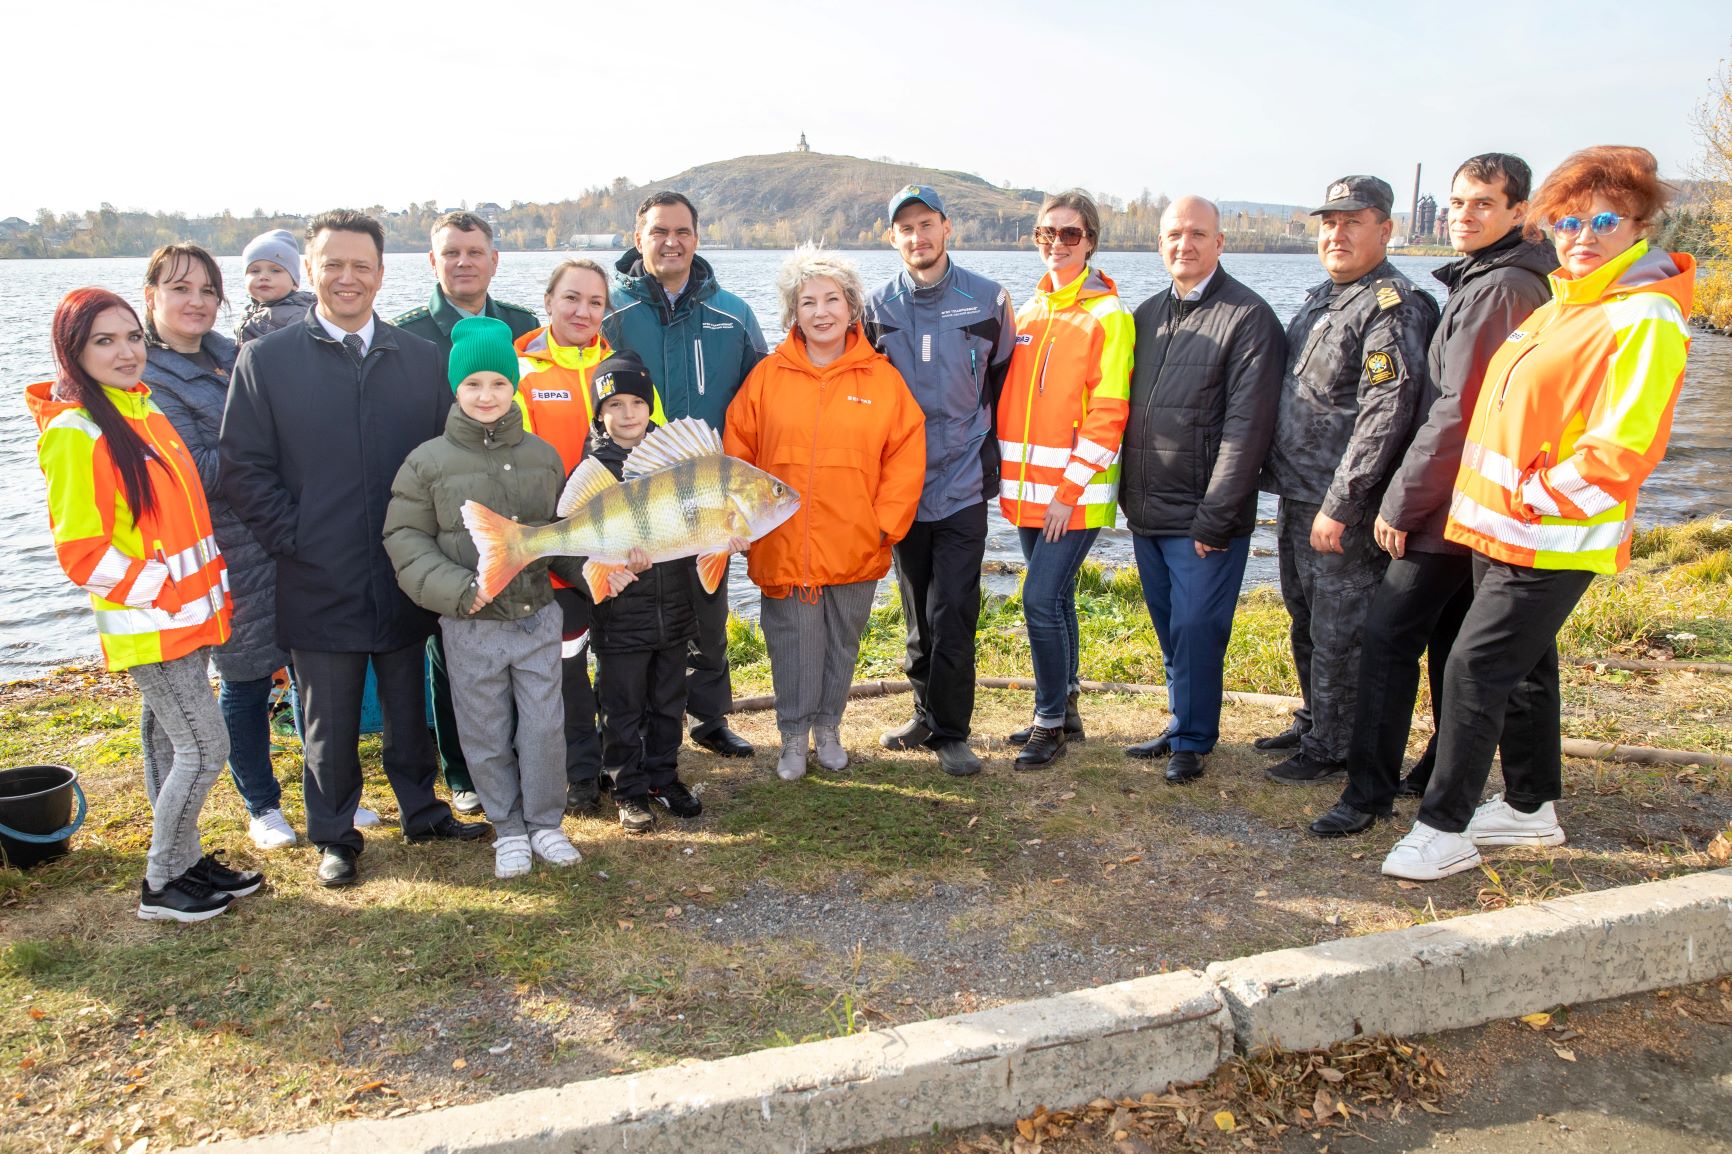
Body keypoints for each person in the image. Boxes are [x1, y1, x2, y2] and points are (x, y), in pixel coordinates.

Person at [1382, 146, 1696, 880]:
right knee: (1525, 672)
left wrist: (1538, 497)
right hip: (1498, 530)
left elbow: (1624, 446)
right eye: (1566, 223)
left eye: (1603, 221)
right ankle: (1530, 808)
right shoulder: (1563, 304)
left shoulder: (1642, 316)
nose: (1582, 236)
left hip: (1550, 535)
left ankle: (1444, 824)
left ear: (1640, 225)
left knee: (1473, 669)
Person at [221, 209, 487, 890]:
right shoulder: (267, 360)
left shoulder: (418, 358)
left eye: (360, 266)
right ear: (310, 271)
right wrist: (295, 539)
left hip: (404, 572)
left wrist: (430, 549)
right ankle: (335, 835)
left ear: (379, 273)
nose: (347, 277)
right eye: (332, 264)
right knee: (327, 721)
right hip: (316, 573)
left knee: (409, 708)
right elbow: (244, 469)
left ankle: (422, 809)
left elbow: (441, 460)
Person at [1311, 155, 1555, 837]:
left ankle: (1367, 794)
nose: (1463, 216)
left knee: (1389, 637)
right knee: (1453, 640)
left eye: (1482, 204)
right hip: (1474, 499)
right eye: (1455, 204)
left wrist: (1400, 502)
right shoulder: (1492, 278)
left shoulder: (1502, 287)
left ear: (1517, 213)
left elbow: (1458, 410)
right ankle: (1442, 774)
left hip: (1454, 502)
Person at [29, 288, 261, 921]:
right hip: (155, 627)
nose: (126, 351)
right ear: (73, 353)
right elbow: (83, 552)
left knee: (168, 743)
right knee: (204, 748)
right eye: (104, 341)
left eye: (132, 337)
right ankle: (162, 880)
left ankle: (184, 860)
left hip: (190, 621)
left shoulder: (141, 409)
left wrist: (203, 595)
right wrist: (166, 594)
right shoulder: (78, 433)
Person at [383, 317, 584, 877]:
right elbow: (404, 537)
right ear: (456, 388)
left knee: (544, 725)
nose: (487, 395)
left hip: (537, 617)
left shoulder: (544, 456)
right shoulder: (428, 462)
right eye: (474, 385)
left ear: (513, 385)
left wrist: (597, 571)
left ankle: (545, 822)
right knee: (485, 729)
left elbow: (559, 534)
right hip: (471, 623)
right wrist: (460, 592)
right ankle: (508, 827)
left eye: (498, 382)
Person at [1259, 176, 1440, 785]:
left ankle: (1335, 743)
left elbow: (1386, 412)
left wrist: (1343, 502)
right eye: (1328, 223)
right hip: (1299, 491)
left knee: (1342, 629)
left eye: (1352, 222)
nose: (1336, 234)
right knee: (1305, 614)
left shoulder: (1393, 305)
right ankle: (1317, 719)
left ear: (1385, 230)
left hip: (1344, 503)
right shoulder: (1325, 296)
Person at [724, 247, 925, 782]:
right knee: (792, 643)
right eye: (807, 302)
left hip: (856, 540)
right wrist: (740, 521)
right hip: (782, 542)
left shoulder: (882, 380)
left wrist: (885, 525)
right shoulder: (766, 377)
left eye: (831, 299)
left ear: (852, 307)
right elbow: (737, 453)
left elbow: (905, 455)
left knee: (840, 641)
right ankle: (792, 737)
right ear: (793, 313)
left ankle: (830, 728)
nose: (820, 312)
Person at [1118, 197, 1285, 784]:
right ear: (1158, 243)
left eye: (1197, 234)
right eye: (1172, 234)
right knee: (1170, 627)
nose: (1183, 245)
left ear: (1220, 243)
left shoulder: (1248, 318)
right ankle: (1179, 719)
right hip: (1147, 510)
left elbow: (1248, 429)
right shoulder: (1144, 315)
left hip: (1204, 518)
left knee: (1196, 628)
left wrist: (1217, 516)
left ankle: (1194, 738)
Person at [139, 243, 297, 849]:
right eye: (180, 289)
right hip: (215, 551)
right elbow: (192, 470)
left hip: (275, 535)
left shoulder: (236, 356)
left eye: (207, 290)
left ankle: (322, 789)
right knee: (247, 675)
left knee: (303, 663)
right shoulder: (147, 376)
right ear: (151, 296)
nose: (196, 302)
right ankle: (261, 804)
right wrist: (264, 447)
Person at [605, 191, 768, 759]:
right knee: (633, 605)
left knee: (708, 602)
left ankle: (710, 716)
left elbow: (759, 398)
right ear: (638, 237)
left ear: (697, 238)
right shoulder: (611, 311)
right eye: (657, 232)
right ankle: (629, 722)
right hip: (638, 486)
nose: (670, 241)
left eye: (681, 231)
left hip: (706, 491)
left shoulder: (733, 313)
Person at [863, 184, 1016, 778]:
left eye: (926, 225)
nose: (917, 237)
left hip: (961, 483)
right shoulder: (874, 307)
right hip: (901, 486)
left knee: (954, 607)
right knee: (916, 611)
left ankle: (953, 730)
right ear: (892, 237)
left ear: (946, 228)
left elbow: (1002, 382)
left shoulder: (987, 299)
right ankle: (924, 713)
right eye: (905, 228)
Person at [393, 211, 541, 815]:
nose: (463, 262)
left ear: (493, 259)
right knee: (452, 646)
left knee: (522, 640)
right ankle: (462, 768)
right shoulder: (408, 334)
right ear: (433, 261)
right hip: (445, 510)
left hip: (516, 499)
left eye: (474, 251)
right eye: (451, 252)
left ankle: (524, 758)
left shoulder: (524, 327)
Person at [516, 260, 665, 815]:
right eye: (571, 298)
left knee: (625, 667)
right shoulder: (522, 368)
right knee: (570, 665)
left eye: (596, 302)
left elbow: (660, 456)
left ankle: (625, 761)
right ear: (549, 299)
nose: (583, 311)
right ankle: (581, 771)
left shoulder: (623, 369)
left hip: (623, 552)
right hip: (562, 553)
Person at [996, 191, 1134, 769]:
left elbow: (1109, 414)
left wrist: (1067, 491)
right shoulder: (1025, 313)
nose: (1057, 242)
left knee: (1038, 600)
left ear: (1091, 240)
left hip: (1071, 499)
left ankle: (1047, 721)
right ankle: (1069, 706)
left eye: (1070, 234)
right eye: (1046, 233)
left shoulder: (1110, 315)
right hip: (1029, 496)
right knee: (1059, 599)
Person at [583, 354, 720, 831]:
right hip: (621, 618)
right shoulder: (597, 470)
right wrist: (616, 562)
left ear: (650, 405)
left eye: (637, 402)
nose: (627, 414)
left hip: (677, 611)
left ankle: (664, 777)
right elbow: (583, 544)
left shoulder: (683, 463)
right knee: (622, 708)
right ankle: (627, 788)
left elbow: (701, 531)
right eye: (614, 404)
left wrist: (728, 532)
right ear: (599, 413)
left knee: (668, 702)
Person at [234, 229, 316, 347]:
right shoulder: (248, 312)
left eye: (275, 270)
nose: (263, 277)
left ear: (294, 282)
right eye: (255, 271)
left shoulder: (298, 316)